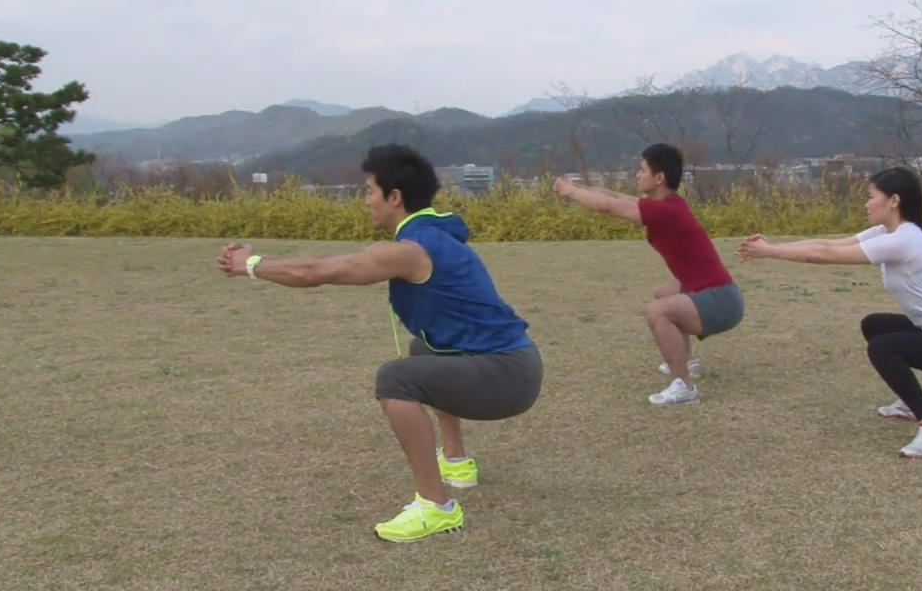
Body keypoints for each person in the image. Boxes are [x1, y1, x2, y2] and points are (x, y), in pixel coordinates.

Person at [216, 144, 543, 542]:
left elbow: (317, 272)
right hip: (515, 365)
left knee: (396, 379)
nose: (366, 200)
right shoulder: (434, 236)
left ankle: (436, 507)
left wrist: (251, 264)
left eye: (370, 190)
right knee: (422, 352)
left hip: (508, 376)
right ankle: (456, 463)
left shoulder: (412, 249)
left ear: (394, 197)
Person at [737, 167, 922, 458]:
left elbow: (825, 257)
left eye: (872, 197)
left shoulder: (904, 239)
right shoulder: (887, 231)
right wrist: (773, 246)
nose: (866, 203)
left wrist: (770, 253)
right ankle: (909, 403)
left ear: (894, 201)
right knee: (876, 326)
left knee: (883, 347)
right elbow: (828, 244)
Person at [553, 143, 744, 407]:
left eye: (642, 170)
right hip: (717, 294)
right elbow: (613, 197)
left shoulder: (665, 211)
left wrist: (570, 191)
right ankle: (687, 363)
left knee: (659, 311)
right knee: (664, 294)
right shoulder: (667, 204)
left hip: (722, 302)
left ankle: (685, 387)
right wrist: (577, 187)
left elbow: (608, 207)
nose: (637, 175)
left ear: (659, 178)